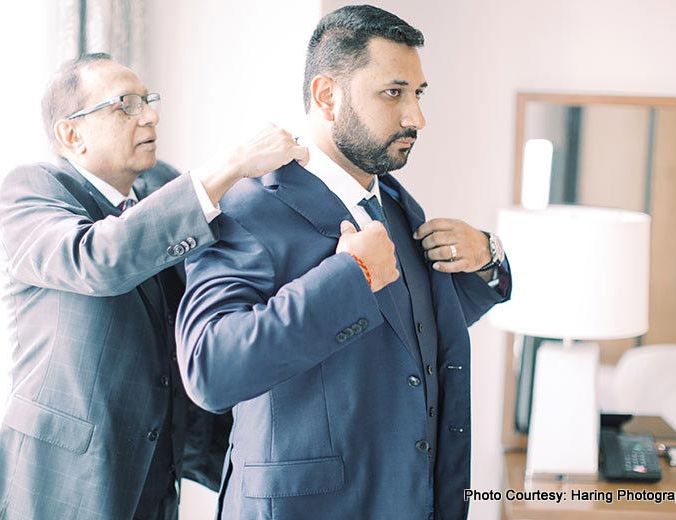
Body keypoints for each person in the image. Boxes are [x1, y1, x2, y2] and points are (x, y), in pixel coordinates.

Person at [176, 5, 512, 520]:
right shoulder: (248, 209)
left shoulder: (396, 204)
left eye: (417, 94)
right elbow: (209, 368)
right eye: (393, 92)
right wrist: (350, 277)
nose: (416, 117)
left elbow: (404, 335)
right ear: (326, 95)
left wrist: (487, 259)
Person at [0, 53, 307, 520]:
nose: (150, 115)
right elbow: (98, 259)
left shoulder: (160, 184)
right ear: (71, 134)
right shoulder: (31, 188)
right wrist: (229, 164)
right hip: (57, 482)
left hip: (155, 476)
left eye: (148, 101)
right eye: (125, 104)